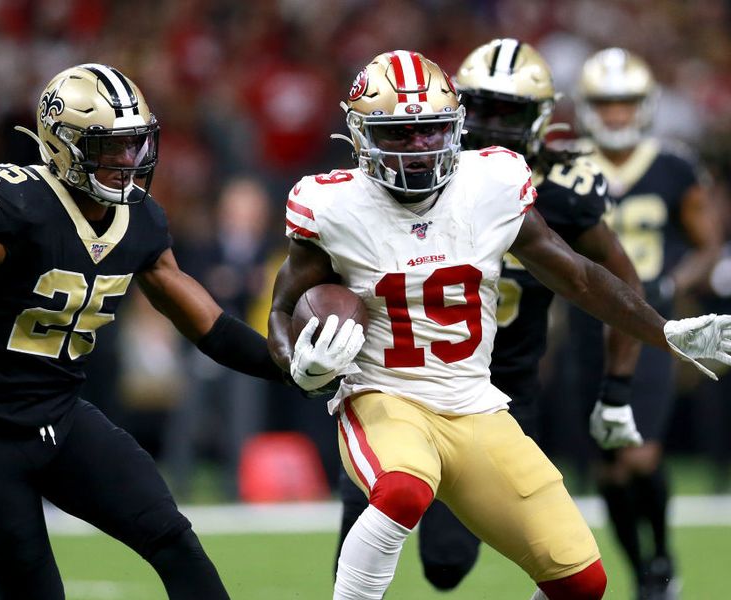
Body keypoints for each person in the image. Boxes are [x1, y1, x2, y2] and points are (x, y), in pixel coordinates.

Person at [266, 50, 731, 600]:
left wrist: (663, 331)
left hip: (476, 404)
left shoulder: (490, 182)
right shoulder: (334, 204)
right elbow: (281, 311)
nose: (419, 149)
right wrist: (301, 364)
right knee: (403, 492)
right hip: (385, 397)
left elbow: (579, 276)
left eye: (432, 131)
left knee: (582, 581)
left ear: (454, 127)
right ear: (362, 134)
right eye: (400, 134)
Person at [0, 63, 293, 600]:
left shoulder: (142, 222)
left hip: (64, 417)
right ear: (62, 145)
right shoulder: (13, 211)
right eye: (110, 147)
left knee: (176, 543)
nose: (129, 161)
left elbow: (209, 326)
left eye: (134, 143)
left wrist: (288, 364)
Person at [333, 38, 646, 593]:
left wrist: (621, 382)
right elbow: (325, 278)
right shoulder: (386, 177)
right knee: (389, 496)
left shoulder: (554, 191)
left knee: (449, 566)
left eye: (513, 112)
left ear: (542, 119)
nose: (495, 125)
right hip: (396, 384)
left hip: (496, 389)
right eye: (483, 108)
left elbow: (605, 278)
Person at [570, 47, 723, 600]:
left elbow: (708, 244)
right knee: (610, 470)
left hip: (652, 328)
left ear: (645, 104)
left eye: (625, 102)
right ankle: (642, 572)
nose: (615, 114)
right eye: (606, 103)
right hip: (589, 329)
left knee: (641, 452)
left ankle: (660, 557)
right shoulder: (568, 165)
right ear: (588, 106)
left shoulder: (674, 164)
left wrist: (673, 285)